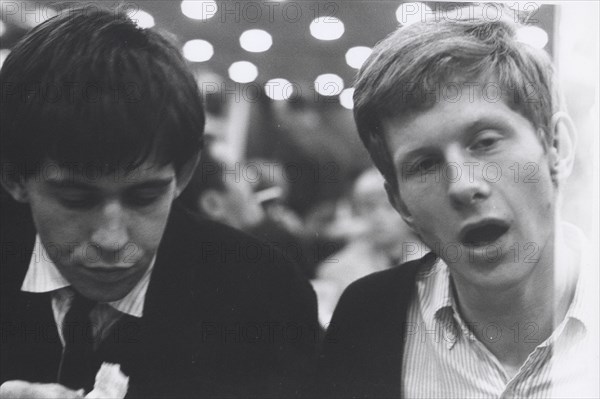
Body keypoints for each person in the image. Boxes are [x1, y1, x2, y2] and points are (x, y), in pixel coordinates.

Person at [0, 7, 318, 399]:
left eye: (144, 197)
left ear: (183, 175)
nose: (112, 240)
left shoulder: (265, 295)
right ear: (13, 177)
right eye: (76, 199)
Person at [317, 8, 599, 399]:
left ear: (556, 147)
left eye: (485, 142)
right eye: (425, 164)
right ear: (400, 202)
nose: (463, 186)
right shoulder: (368, 321)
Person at [312, 168, 423, 326]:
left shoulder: (435, 264)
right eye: (370, 207)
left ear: (408, 210)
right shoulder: (335, 269)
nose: (379, 217)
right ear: (359, 211)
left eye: (388, 207)